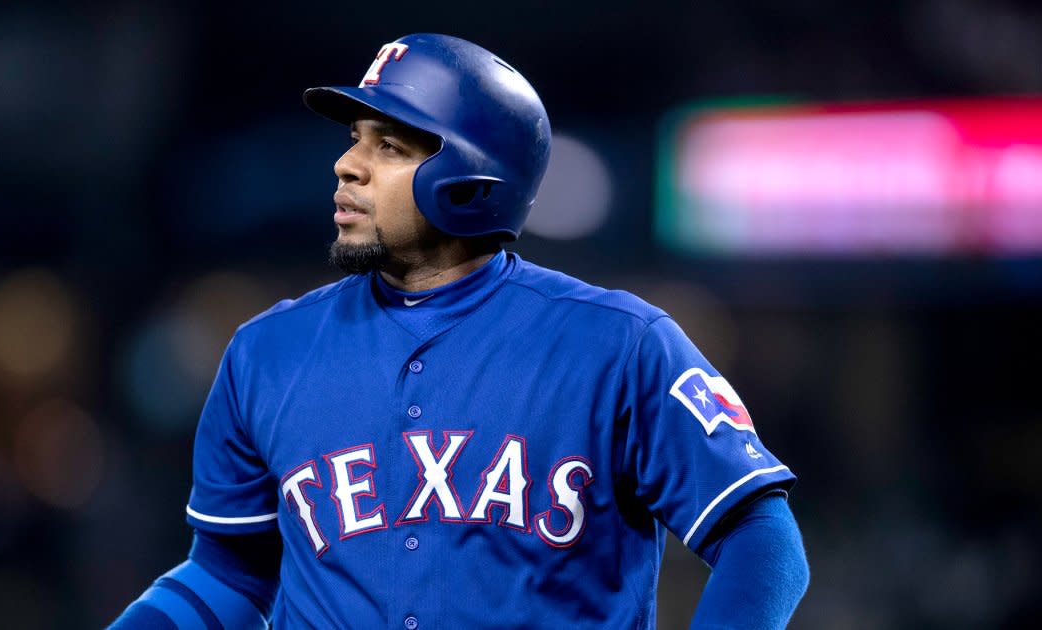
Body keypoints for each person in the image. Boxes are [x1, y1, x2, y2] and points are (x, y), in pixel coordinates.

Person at [110, 33, 809, 630]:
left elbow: (761, 536)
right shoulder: (267, 352)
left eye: (388, 146)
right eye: (355, 139)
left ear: (470, 178)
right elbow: (229, 577)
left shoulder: (618, 344)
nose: (347, 165)